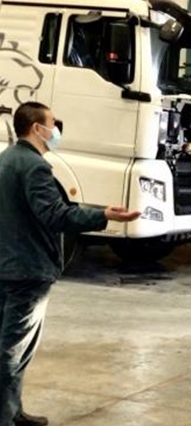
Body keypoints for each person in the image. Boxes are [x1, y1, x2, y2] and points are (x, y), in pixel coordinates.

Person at [0, 102, 141, 426]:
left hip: (7, 264)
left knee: (8, 345)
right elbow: (56, 215)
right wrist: (103, 214)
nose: (57, 131)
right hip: (28, 268)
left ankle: (11, 410)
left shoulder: (7, 159)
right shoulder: (35, 167)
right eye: (54, 124)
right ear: (37, 128)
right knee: (14, 349)